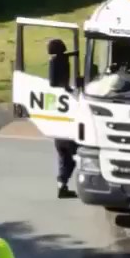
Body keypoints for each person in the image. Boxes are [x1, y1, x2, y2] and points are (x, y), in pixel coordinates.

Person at [47, 39, 77, 198]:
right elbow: (57, 82)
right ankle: (62, 182)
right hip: (66, 124)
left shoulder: (56, 61)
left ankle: (62, 185)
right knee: (72, 155)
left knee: (63, 155)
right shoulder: (58, 62)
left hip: (58, 123)